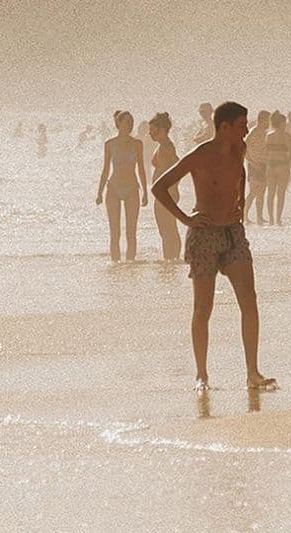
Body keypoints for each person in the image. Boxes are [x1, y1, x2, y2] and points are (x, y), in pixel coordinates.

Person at [151, 100, 275, 395]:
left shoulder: (239, 150)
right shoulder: (200, 154)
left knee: (249, 300)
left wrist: (241, 203)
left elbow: (240, 174)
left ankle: (252, 372)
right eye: (242, 126)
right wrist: (185, 219)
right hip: (204, 234)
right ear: (224, 127)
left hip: (233, 233)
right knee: (203, 308)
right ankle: (202, 374)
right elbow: (159, 187)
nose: (246, 132)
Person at [96, 110, 148, 262]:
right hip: (113, 188)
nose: (130, 125)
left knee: (131, 231)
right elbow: (105, 169)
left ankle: (130, 264)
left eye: (131, 122)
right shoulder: (110, 144)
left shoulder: (137, 144)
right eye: (126, 122)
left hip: (132, 188)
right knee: (115, 232)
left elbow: (141, 169)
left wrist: (145, 191)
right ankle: (115, 264)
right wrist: (99, 193)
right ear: (118, 124)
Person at [148, 112, 183, 261]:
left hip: (165, 194)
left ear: (161, 129)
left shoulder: (166, 147)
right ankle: (172, 260)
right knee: (169, 229)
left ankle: (170, 261)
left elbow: (176, 170)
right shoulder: (164, 146)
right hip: (166, 193)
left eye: (152, 130)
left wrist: (170, 190)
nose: (150, 133)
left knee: (167, 230)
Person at [263, 110, 291, 225]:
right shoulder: (286, 136)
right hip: (282, 165)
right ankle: (278, 219)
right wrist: (288, 163)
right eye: (284, 123)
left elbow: (266, 152)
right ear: (280, 123)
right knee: (280, 194)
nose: (285, 125)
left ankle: (271, 219)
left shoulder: (268, 135)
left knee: (271, 193)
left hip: (271, 165)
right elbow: (290, 151)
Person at [243, 110, 271, 225]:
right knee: (253, 192)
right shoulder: (253, 133)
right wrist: (253, 163)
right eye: (267, 120)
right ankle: (244, 216)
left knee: (262, 191)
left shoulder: (265, 132)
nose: (269, 123)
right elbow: (243, 150)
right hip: (254, 165)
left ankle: (259, 217)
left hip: (264, 164)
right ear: (262, 120)